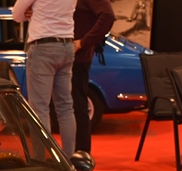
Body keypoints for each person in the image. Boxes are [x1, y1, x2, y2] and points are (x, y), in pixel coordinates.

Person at [12, 0, 78, 156]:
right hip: (67, 44)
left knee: (40, 109)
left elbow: (16, 15)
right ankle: (69, 158)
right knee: (65, 107)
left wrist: (31, 11)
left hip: (43, 46)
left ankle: (42, 159)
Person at [72, 0, 113, 153]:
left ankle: (81, 153)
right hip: (69, 56)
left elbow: (108, 15)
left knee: (77, 105)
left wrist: (83, 42)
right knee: (70, 106)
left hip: (78, 58)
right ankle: (77, 153)